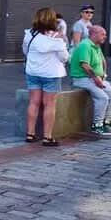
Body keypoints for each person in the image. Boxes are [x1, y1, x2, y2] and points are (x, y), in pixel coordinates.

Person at [22, 8, 68, 146]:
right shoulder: (56, 38)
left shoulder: (29, 34)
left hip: (33, 72)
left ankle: (30, 134)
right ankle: (47, 137)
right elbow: (64, 57)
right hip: (51, 74)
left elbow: (25, 50)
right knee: (49, 105)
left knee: (33, 102)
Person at [69, 24, 111, 136]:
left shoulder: (96, 46)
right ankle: (97, 125)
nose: (105, 37)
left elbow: (103, 61)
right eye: (103, 34)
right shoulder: (85, 45)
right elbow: (84, 64)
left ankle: (106, 122)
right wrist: (96, 79)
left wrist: (103, 75)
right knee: (103, 97)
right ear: (94, 34)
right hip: (82, 78)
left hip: (95, 78)